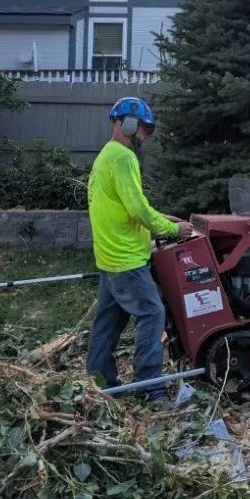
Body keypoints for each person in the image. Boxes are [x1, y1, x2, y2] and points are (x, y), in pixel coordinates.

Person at [86, 96, 192, 401]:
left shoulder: (107, 155)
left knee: (108, 321)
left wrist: (159, 218)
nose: (145, 137)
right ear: (127, 124)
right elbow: (137, 211)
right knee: (152, 313)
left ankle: (99, 382)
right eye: (143, 129)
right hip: (126, 259)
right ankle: (151, 388)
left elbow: (132, 206)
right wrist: (174, 229)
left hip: (109, 258)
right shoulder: (123, 157)